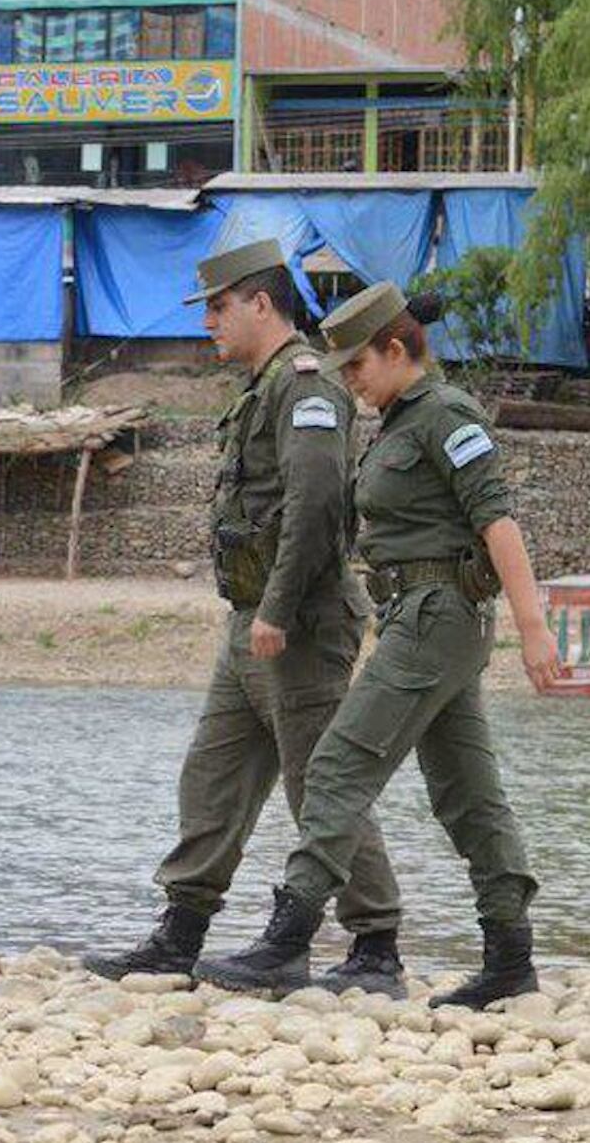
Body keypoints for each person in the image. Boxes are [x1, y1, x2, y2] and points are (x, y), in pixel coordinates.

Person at [196, 281, 557, 1006]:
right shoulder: (398, 420)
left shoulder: (446, 414)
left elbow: (499, 522)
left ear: (397, 350)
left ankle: (288, 938)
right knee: (468, 794)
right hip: (414, 619)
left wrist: (534, 627)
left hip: (439, 617)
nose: (351, 383)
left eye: (358, 367)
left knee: (335, 766)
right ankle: (511, 956)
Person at [83, 240, 405, 996]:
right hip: (251, 625)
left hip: (298, 626)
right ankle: (181, 932)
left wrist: (281, 608)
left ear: (262, 303)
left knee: (321, 787)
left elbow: (317, 504)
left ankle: (376, 947)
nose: (209, 325)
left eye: (219, 308)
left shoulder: (307, 388)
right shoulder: (263, 389)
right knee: (213, 776)